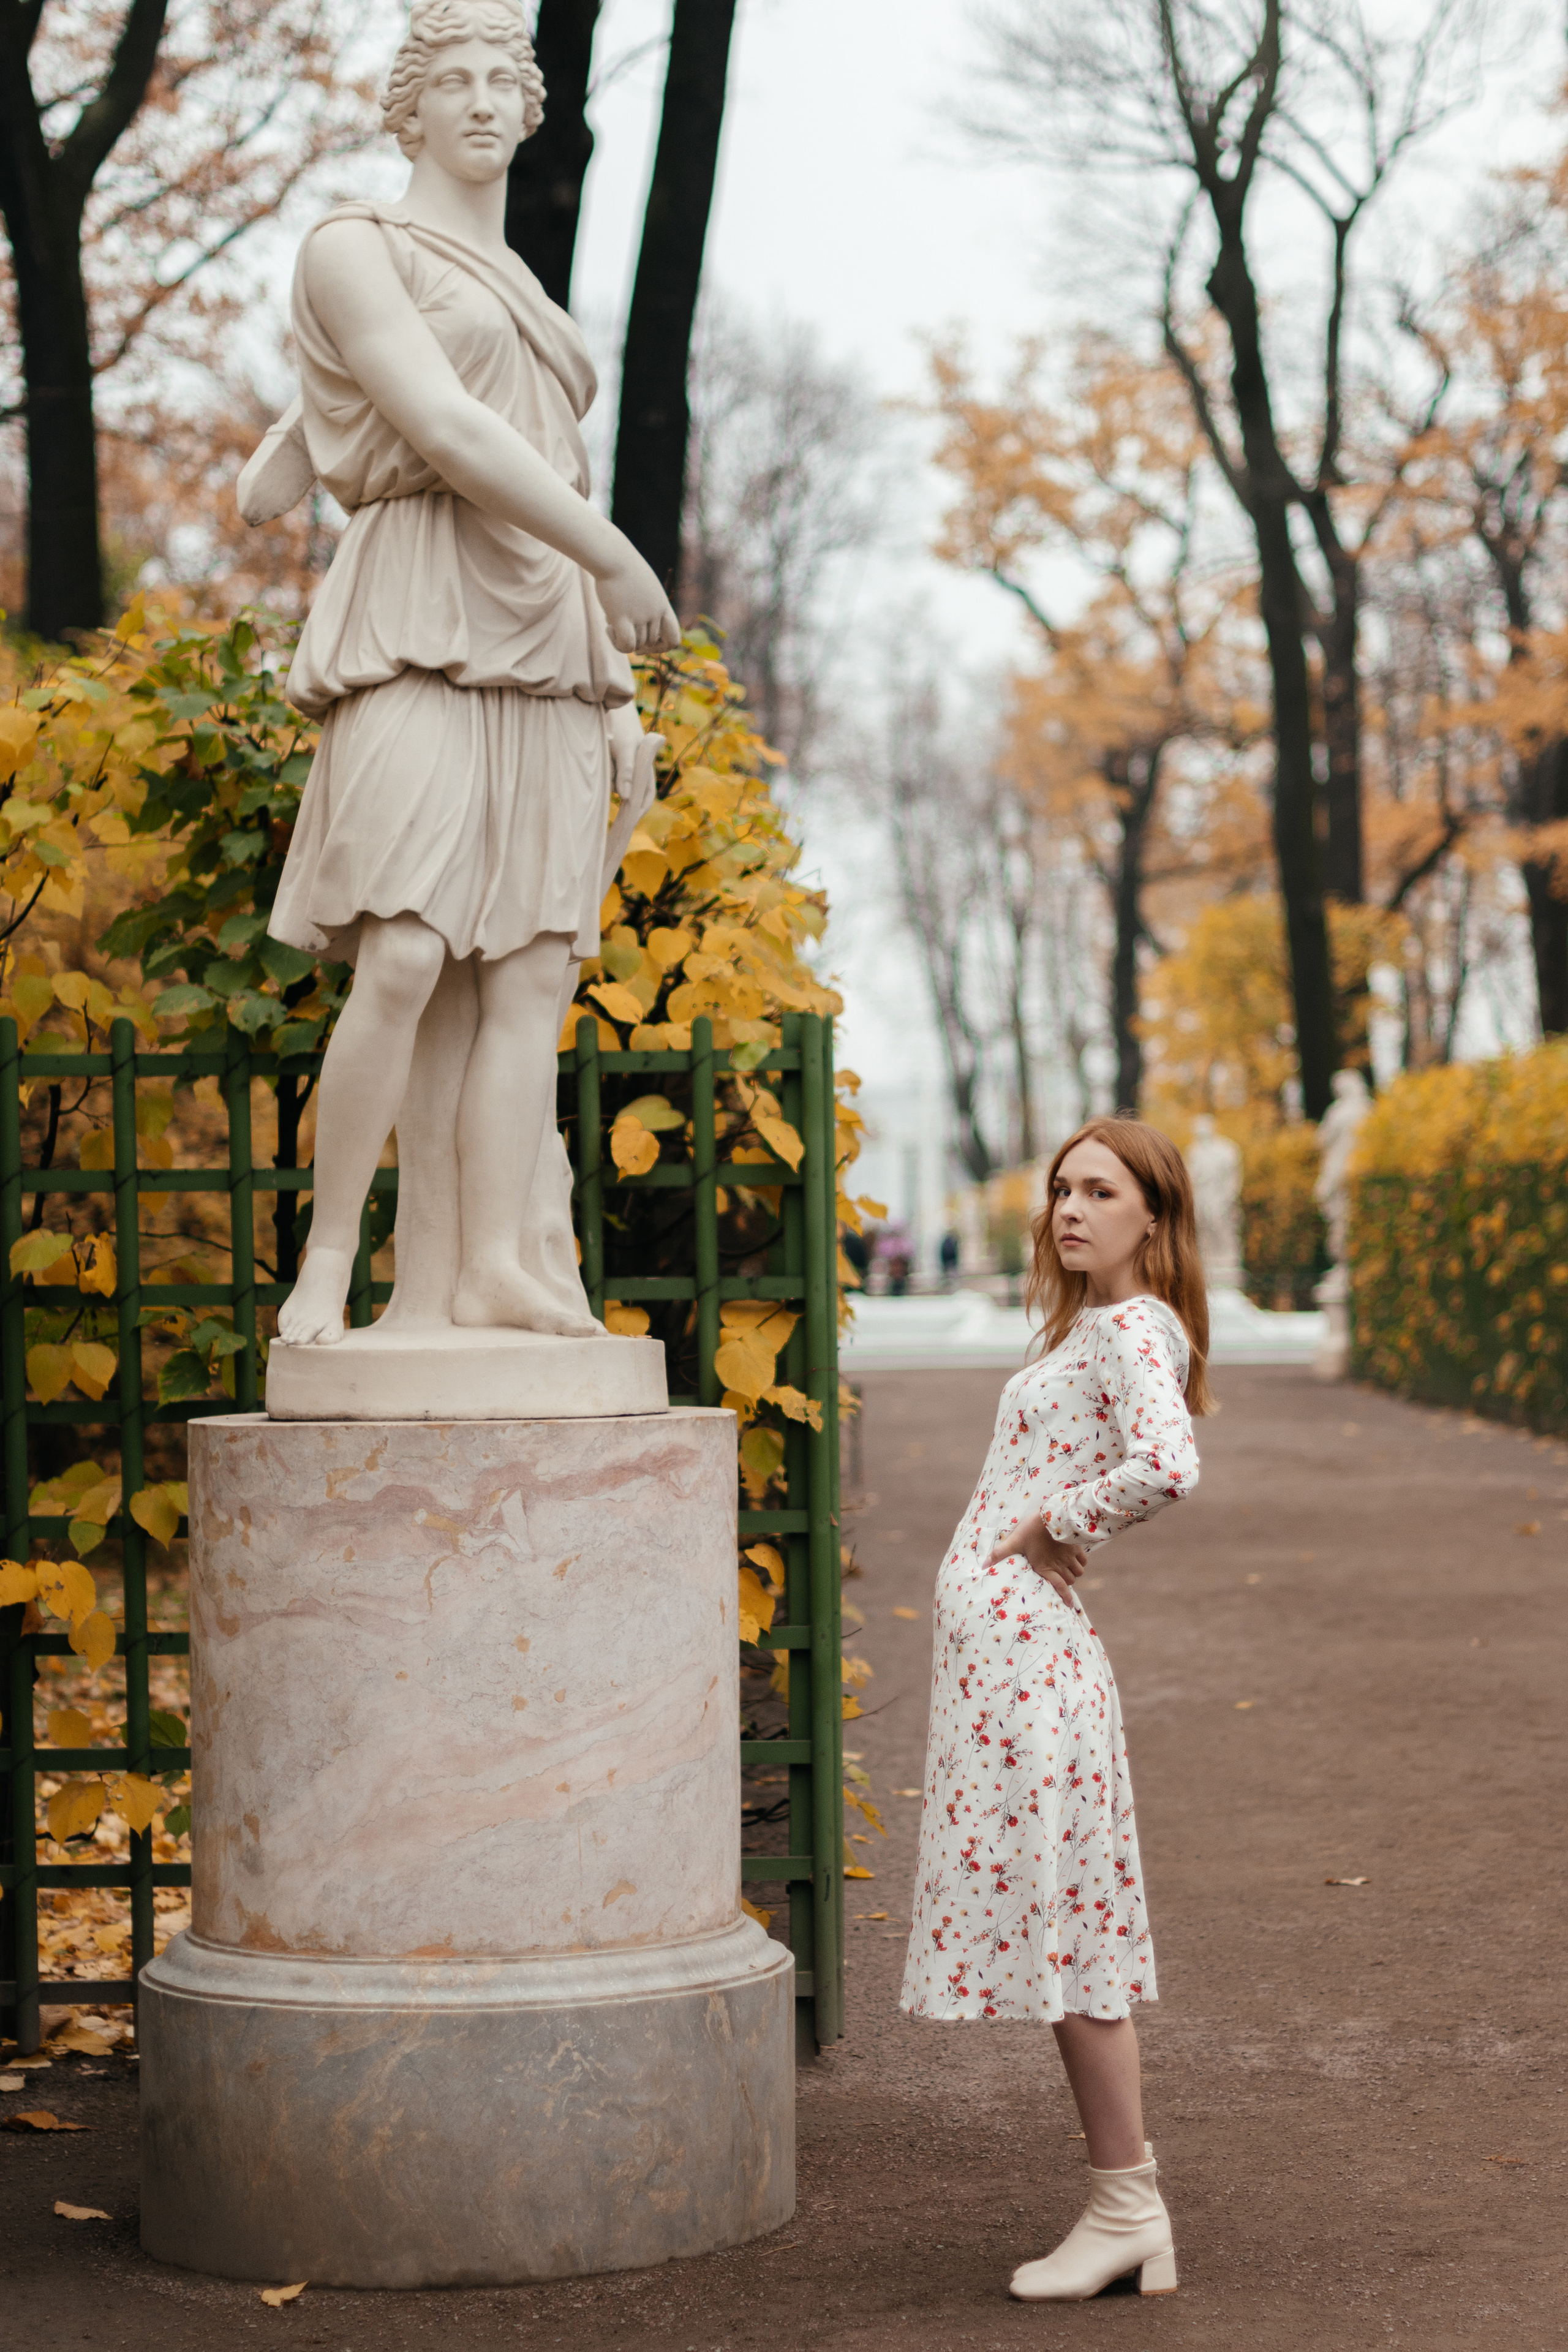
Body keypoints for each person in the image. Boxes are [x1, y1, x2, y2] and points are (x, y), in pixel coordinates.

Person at [238, 0, 679, 1346]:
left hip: (546, 634)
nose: (484, 101)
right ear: (409, 110)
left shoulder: (529, 295)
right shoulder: (353, 247)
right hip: (420, 607)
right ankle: (330, 1263)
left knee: (532, 977)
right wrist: (615, 557)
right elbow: (443, 428)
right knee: (404, 952)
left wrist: (613, 691)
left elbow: (549, 461)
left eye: (505, 80)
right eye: (456, 81)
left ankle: (492, 1265)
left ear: (532, 111)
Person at [899, 1115, 1211, 2301]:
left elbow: (1169, 1464)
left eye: (1101, 1191)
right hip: (1007, 1666)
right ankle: (1126, 2211)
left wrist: (1055, 1523)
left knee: (1071, 1943)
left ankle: (1127, 2208)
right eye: (1062, 1189)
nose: (1070, 1209)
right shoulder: (1091, 1326)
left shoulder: (1131, 1328)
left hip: (1031, 1669)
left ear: (1153, 1217)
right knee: (1062, 1937)